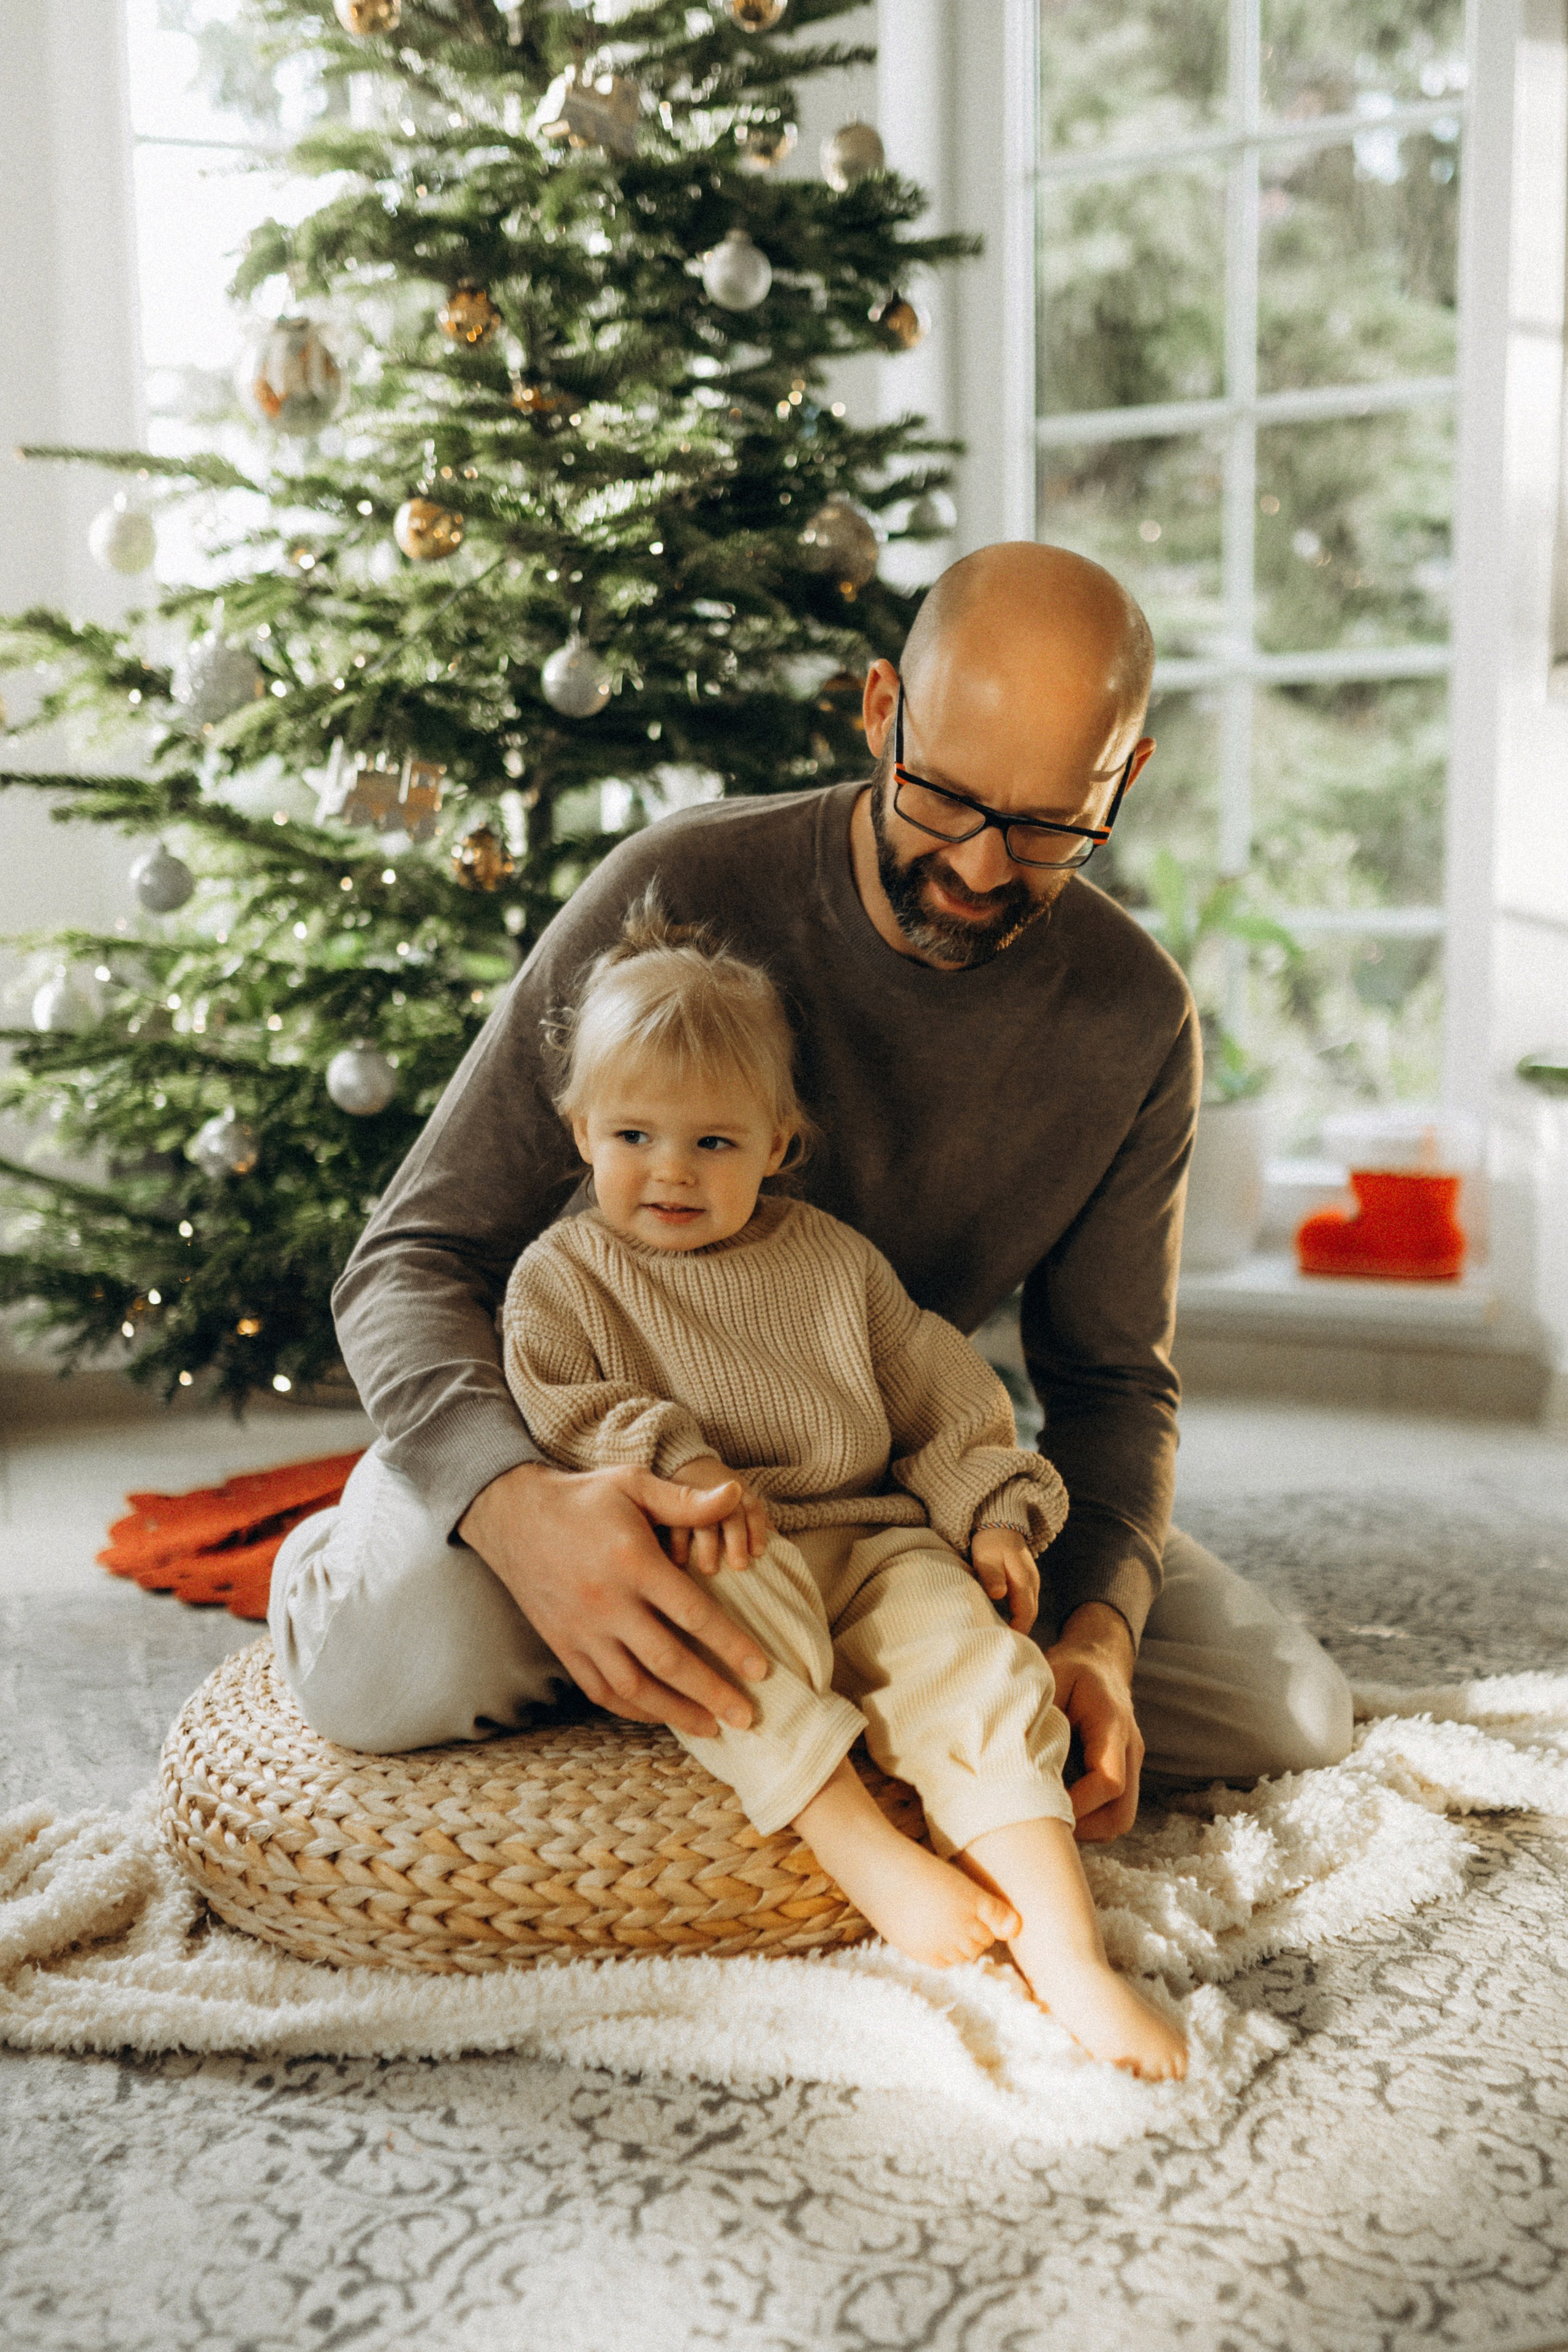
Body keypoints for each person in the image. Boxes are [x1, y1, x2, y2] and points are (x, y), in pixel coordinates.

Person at [270, 540, 1353, 1856]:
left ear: (1122, 780)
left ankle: (783, 1677)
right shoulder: (681, 883)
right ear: (881, 709)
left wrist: (1097, 1638)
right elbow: (412, 1251)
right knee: (389, 1666)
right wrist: (512, 1507)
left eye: (1047, 827)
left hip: (894, 1498)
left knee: (1287, 1715)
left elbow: (1114, 1386)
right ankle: (504, 1594)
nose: (980, 868)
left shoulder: (1134, 1016)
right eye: (944, 797)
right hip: (610, 1462)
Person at [498, 895, 1187, 2076]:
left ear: (779, 1144)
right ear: (581, 1132)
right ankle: (857, 1841)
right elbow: (564, 1403)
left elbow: (944, 1394)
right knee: (715, 1614)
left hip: (869, 1537)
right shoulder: (564, 1277)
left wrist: (993, 1512)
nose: (670, 1171)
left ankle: (1070, 1952)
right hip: (713, 1537)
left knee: (971, 1658)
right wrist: (676, 1460)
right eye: (635, 1136)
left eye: (714, 1144)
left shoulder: (831, 1261)